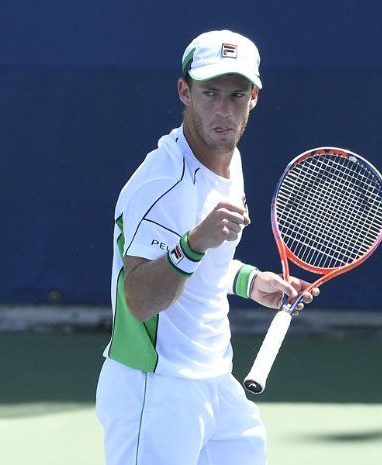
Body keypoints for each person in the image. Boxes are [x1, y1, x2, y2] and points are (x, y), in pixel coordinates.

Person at [96, 29, 319, 465]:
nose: (224, 111)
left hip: (217, 380)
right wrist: (195, 242)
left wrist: (250, 281)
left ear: (254, 98)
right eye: (210, 93)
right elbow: (139, 300)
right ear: (185, 92)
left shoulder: (228, 158)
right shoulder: (162, 182)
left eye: (236, 95)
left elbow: (205, 265)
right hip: (156, 389)